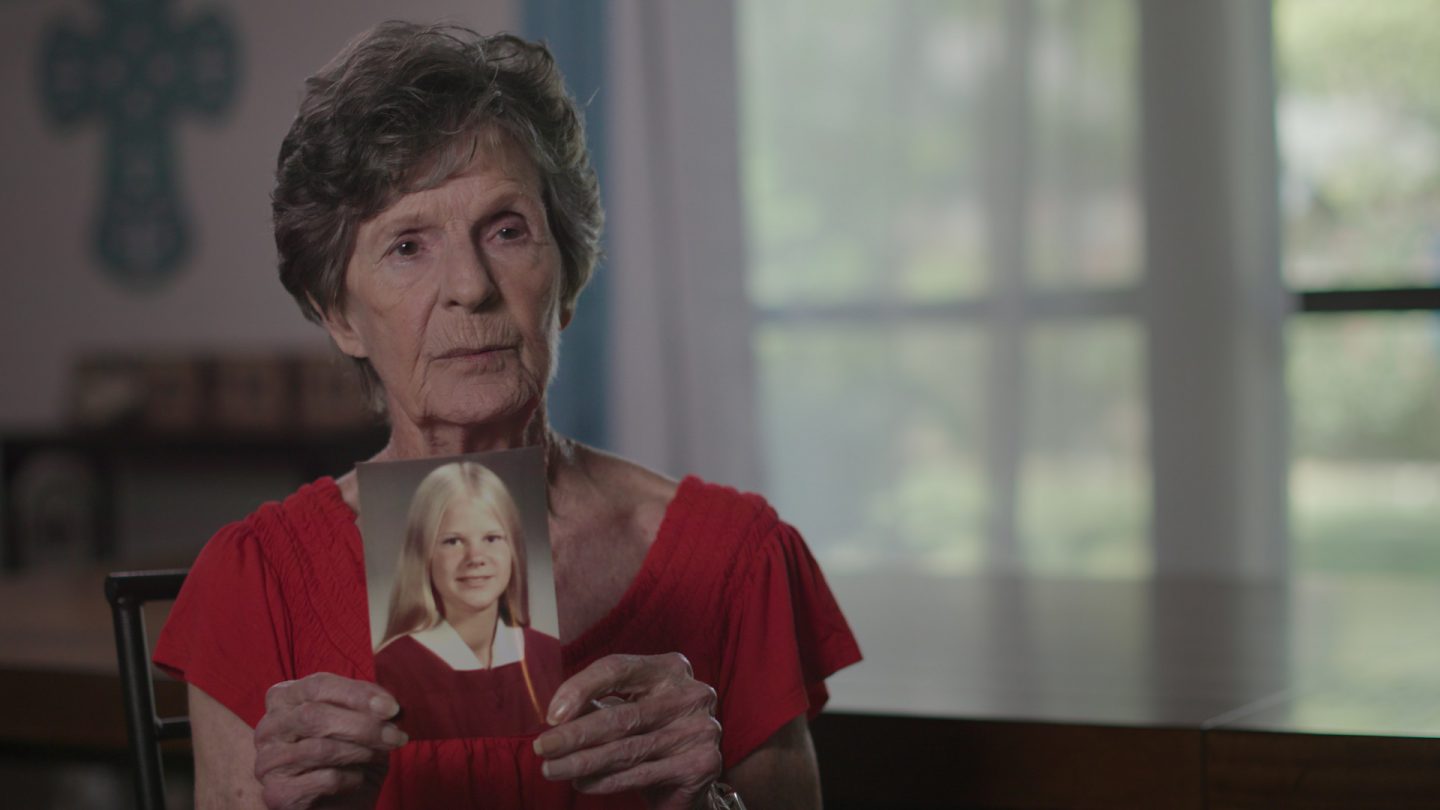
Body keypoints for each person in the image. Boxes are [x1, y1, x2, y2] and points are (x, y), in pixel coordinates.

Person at [154, 20, 861, 810]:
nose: (470, 286)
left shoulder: (737, 559)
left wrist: (707, 799)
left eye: (506, 230)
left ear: (567, 278)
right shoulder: (257, 583)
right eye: (407, 246)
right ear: (341, 316)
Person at [374, 460, 563, 739]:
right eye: (453, 541)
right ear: (423, 555)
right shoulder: (392, 671)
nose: (475, 558)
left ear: (513, 549)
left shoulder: (549, 654)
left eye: (492, 538)